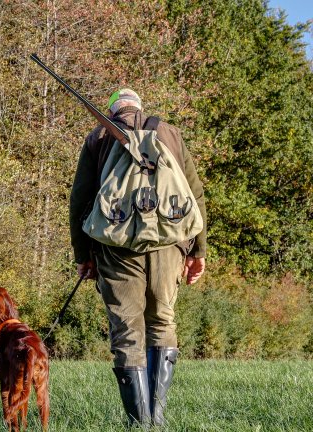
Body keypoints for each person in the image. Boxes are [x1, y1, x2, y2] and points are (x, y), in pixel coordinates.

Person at [68, 89, 207, 426]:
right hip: (168, 245)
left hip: (115, 249)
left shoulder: (98, 137)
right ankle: (156, 418)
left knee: (128, 330)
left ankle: (138, 422)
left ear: (114, 110)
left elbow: (79, 200)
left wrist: (83, 255)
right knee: (162, 321)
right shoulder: (169, 132)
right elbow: (194, 192)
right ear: (139, 108)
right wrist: (198, 250)